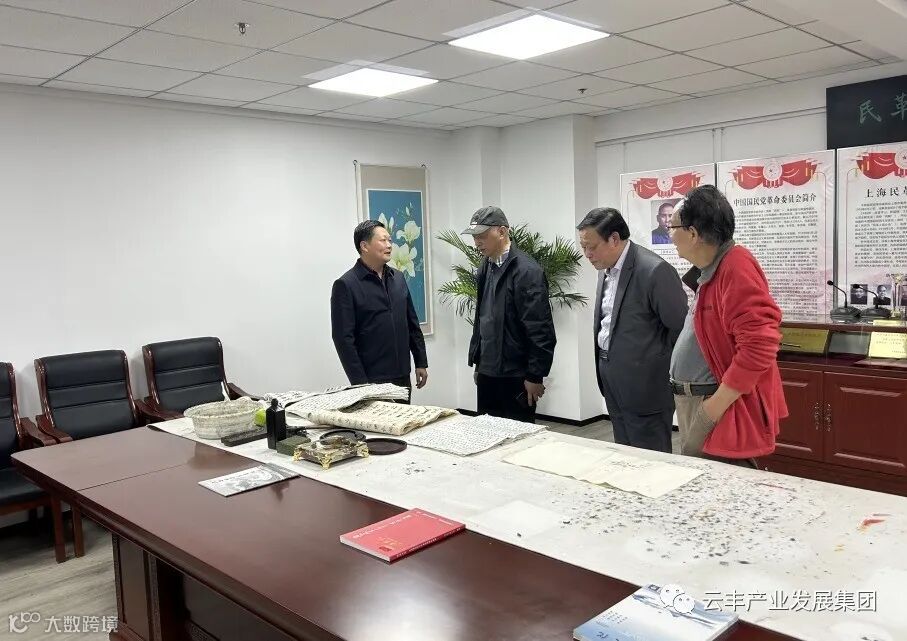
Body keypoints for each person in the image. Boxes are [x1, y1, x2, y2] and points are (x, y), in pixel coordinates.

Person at [667, 185, 788, 466]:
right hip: (700, 401)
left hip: (716, 404)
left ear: (693, 233)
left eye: (672, 227)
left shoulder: (735, 266)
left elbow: (760, 344)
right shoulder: (713, 268)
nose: (669, 235)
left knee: (722, 481)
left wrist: (712, 409)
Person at [577, 208, 688, 453]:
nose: (587, 254)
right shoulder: (606, 268)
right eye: (583, 247)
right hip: (611, 376)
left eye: (591, 247)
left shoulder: (654, 270)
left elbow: (680, 329)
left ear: (614, 239)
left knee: (650, 457)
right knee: (625, 453)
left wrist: (656, 368)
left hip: (646, 384)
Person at [463, 206, 556, 423]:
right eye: (474, 236)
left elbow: (540, 328)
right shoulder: (485, 267)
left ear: (502, 232)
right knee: (486, 433)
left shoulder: (527, 271)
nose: (477, 242)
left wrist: (535, 375)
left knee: (519, 436)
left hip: (516, 375)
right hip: (488, 373)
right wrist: (479, 364)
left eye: (482, 235)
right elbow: (482, 319)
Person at [330, 219, 427, 398]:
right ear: (364, 246)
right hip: (372, 380)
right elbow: (343, 339)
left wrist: (420, 361)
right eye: (383, 240)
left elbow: (411, 323)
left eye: (390, 240)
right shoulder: (346, 285)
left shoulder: (398, 278)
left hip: (402, 375)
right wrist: (360, 385)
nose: (389, 245)